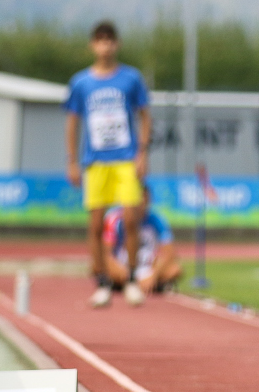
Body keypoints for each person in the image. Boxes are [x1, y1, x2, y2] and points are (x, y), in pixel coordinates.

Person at [65, 21, 152, 308]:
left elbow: (145, 115)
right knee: (95, 224)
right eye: (100, 40)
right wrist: (72, 161)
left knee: (131, 218)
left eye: (110, 40)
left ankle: (131, 279)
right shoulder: (81, 83)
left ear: (117, 44)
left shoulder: (131, 79)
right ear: (93, 45)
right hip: (96, 161)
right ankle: (102, 281)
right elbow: (72, 122)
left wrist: (142, 154)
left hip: (125, 158)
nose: (105, 46)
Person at [102, 186, 181, 295]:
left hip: (146, 266)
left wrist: (153, 275)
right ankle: (135, 283)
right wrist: (120, 270)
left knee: (175, 270)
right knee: (106, 269)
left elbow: (170, 253)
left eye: (145, 200)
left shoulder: (157, 220)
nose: (141, 205)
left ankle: (134, 285)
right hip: (123, 267)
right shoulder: (114, 218)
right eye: (138, 201)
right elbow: (106, 254)